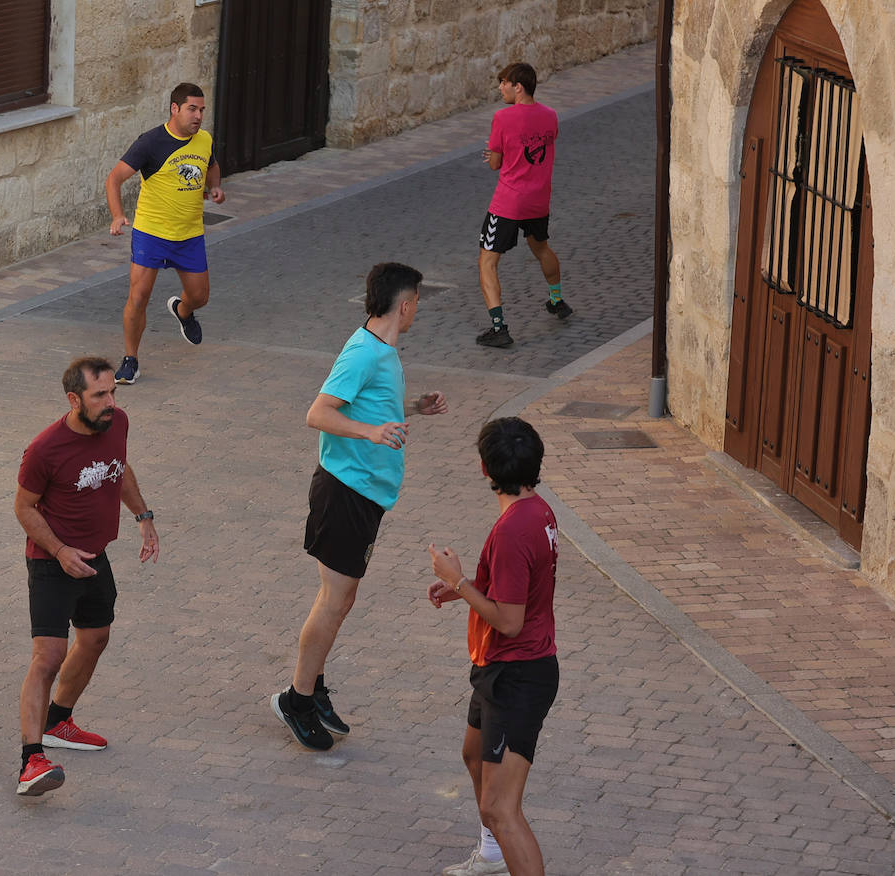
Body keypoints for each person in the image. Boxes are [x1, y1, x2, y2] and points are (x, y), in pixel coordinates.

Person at [271, 262, 448, 751]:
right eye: (417, 304)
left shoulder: (383, 350)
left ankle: (314, 686)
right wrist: (371, 432)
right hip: (345, 491)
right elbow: (318, 413)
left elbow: (368, 404)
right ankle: (297, 699)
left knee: (340, 599)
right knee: (334, 600)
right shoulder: (363, 353)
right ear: (405, 305)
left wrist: (412, 410)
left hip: (364, 495)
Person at [13, 356, 160, 796]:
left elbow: (121, 465)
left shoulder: (118, 424)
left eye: (113, 391)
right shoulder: (44, 449)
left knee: (96, 638)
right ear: (74, 399)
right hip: (51, 562)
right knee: (48, 657)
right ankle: (31, 760)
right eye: (100, 395)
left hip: (96, 556)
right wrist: (59, 551)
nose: (111, 402)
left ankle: (60, 721)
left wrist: (143, 515)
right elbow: (23, 508)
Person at [426, 417, 560, 876]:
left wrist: (458, 579)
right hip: (501, 670)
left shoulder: (510, 531)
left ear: (484, 469)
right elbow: (516, 588)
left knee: (503, 809)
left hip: (518, 675)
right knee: (472, 754)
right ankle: (492, 855)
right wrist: (467, 587)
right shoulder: (538, 510)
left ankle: (502, 845)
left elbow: (509, 619)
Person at [104, 81, 225, 385]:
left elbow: (211, 166)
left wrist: (215, 187)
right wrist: (118, 215)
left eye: (202, 110)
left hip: (189, 235)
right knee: (138, 296)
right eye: (192, 109)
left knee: (200, 297)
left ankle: (182, 311)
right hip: (151, 234)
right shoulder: (151, 142)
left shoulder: (204, 140)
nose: (198, 116)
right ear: (175, 109)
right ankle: (130, 360)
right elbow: (114, 179)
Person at [476, 62, 571, 350]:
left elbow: (495, 164)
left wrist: (493, 155)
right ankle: (557, 301)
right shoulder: (550, 116)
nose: (500, 88)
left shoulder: (502, 118)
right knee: (541, 248)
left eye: (503, 82)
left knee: (487, 262)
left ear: (518, 86)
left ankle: (499, 327)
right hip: (538, 200)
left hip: (508, 202)